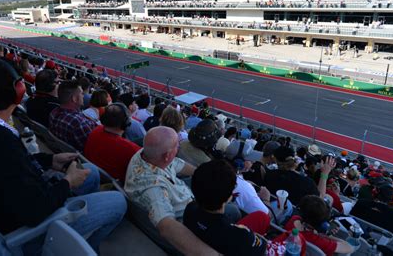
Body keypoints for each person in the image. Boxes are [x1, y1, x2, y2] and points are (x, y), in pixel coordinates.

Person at [0, 59, 126, 252]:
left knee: (91, 171)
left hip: (3, 209)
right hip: (28, 231)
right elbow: (36, 210)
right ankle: (81, 247)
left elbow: (13, 168)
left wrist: (50, 160)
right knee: (118, 202)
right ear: (17, 91)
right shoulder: (0, 141)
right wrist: (68, 182)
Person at [124, 126, 221, 255]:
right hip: (188, 223)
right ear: (167, 155)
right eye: (177, 146)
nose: (179, 147)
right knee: (232, 211)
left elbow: (177, 164)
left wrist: (203, 174)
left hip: (185, 200)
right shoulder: (154, 190)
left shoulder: (148, 154)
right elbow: (166, 226)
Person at [183, 160, 268, 255]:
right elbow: (264, 248)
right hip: (242, 245)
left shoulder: (190, 209)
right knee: (263, 218)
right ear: (229, 196)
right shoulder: (242, 236)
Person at [84, 103, 141, 181]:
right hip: (115, 183)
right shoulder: (131, 149)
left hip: (96, 174)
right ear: (126, 123)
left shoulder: (95, 130)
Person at [284, 196, 354, 256]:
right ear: (322, 224)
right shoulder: (319, 241)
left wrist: (319, 232)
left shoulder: (294, 219)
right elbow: (349, 248)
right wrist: (328, 236)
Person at [264, 146, 335, 205]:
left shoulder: (268, 174)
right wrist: (325, 174)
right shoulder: (307, 182)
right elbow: (320, 200)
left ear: (276, 160)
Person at [49, 80, 98, 152]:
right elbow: (93, 148)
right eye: (82, 93)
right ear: (74, 98)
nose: (83, 95)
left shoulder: (53, 112)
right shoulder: (79, 123)